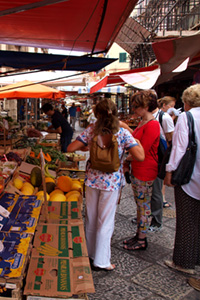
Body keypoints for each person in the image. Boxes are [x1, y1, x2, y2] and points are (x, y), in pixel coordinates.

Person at [67, 99, 144, 271]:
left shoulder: (91, 131)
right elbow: (140, 156)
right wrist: (137, 142)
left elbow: (71, 148)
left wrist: (87, 148)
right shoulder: (122, 133)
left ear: (96, 114)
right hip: (111, 183)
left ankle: (91, 254)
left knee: (91, 218)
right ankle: (102, 261)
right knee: (105, 221)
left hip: (92, 180)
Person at [164, 84, 200, 275]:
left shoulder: (187, 117)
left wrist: (169, 171)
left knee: (187, 220)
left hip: (191, 176)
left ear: (187, 102)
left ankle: (184, 262)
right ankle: (198, 257)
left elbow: (179, 147)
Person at [123, 90, 160, 251]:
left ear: (145, 106)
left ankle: (142, 239)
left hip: (145, 169)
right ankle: (139, 234)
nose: (134, 110)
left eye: (136, 106)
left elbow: (141, 151)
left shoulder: (152, 124)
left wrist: (125, 158)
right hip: (138, 169)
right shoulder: (142, 122)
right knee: (140, 205)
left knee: (143, 206)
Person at [148, 96, 175, 232]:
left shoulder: (164, 118)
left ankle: (157, 221)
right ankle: (147, 217)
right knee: (149, 191)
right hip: (150, 158)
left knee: (157, 192)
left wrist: (169, 164)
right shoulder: (149, 117)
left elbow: (170, 140)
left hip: (159, 158)